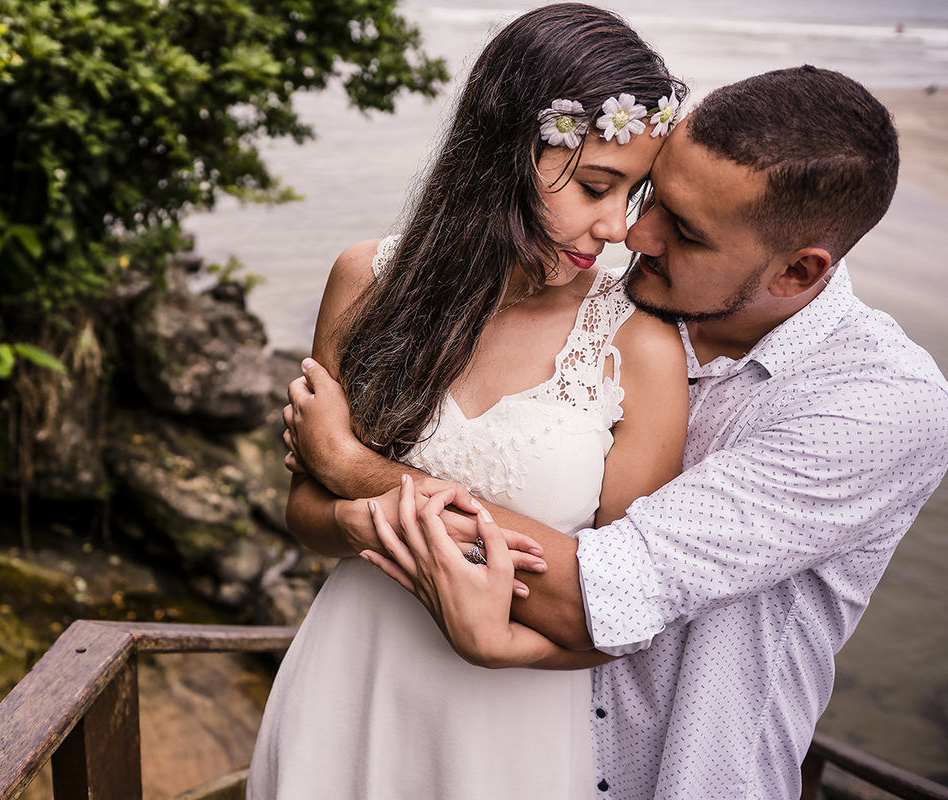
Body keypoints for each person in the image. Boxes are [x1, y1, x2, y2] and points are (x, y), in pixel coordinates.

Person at [283, 65, 948, 798]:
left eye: (684, 232)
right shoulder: (630, 304)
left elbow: (590, 592)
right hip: (427, 706)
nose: (634, 232)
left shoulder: (876, 407)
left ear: (797, 272)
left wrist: (351, 465)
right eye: (649, 196)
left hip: (669, 775)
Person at [246, 5, 690, 798]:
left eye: (631, 195)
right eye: (595, 186)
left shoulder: (639, 351)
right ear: (503, 153)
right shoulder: (366, 281)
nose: (615, 227)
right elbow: (304, 514)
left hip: (507, 723)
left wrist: (356, 470)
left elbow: (620, 617)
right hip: (345, 681)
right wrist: (349, 517)